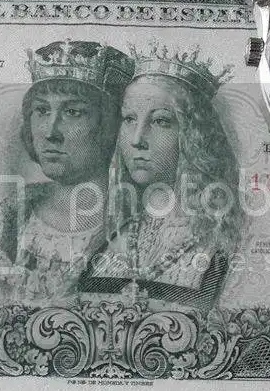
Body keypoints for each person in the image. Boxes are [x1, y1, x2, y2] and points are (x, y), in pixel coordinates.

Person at [78, 44, 243, 313]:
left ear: (193, 135)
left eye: (160, 121)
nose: (137, 139)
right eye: (129, 119)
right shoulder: (112, 240)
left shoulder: (220, 242)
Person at [0, 40, 134, 303]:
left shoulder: (137, 224)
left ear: (110, 126)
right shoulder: (9, 219)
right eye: (42, 110)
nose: (50, 132)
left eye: (72, 112)